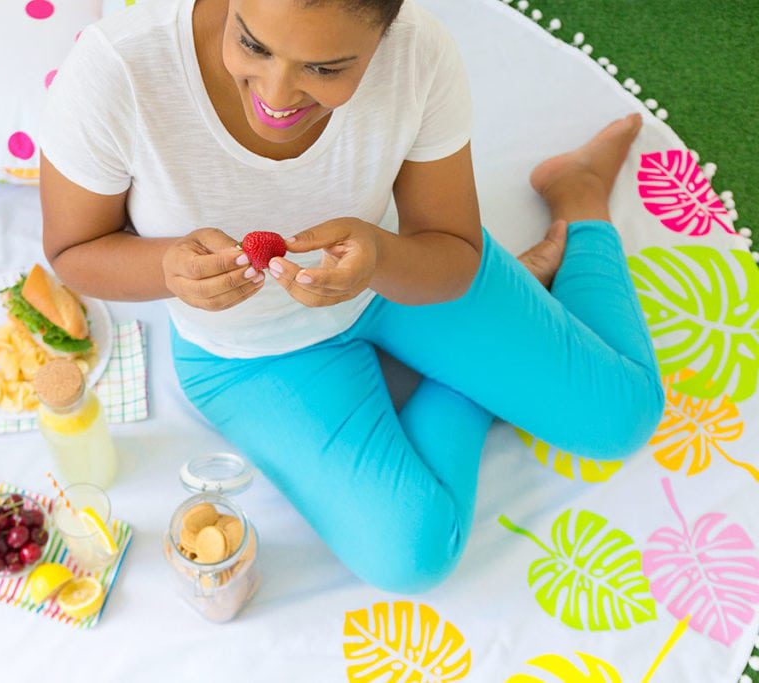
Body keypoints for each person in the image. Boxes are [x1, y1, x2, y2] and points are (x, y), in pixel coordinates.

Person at [38, 0, 664, 592]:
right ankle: (472, 368)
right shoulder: (115, 72)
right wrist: (165, 269)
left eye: (325, 68)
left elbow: (447, 254)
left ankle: (578, 195)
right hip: (249, 357)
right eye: (252, 43)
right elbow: (73, 253)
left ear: (383, 36)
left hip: (401, 278)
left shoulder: (419, 56)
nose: (276, 97)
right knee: (411, 558)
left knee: (619, 419)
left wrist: (382, 259)